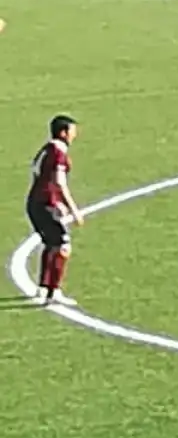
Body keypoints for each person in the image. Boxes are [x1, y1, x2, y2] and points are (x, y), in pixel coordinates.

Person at [25, 114, 82, 307]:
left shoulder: (46, 149)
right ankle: (54, 291)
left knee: (51, 243)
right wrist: (74, 209)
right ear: (63, 132)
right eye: (73, 131)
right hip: (45, 205)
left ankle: (42, 289)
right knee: (63, 245)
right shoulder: (59, 153)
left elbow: (37, 174)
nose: (75, 135)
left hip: (36, 203)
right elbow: (59, 182)